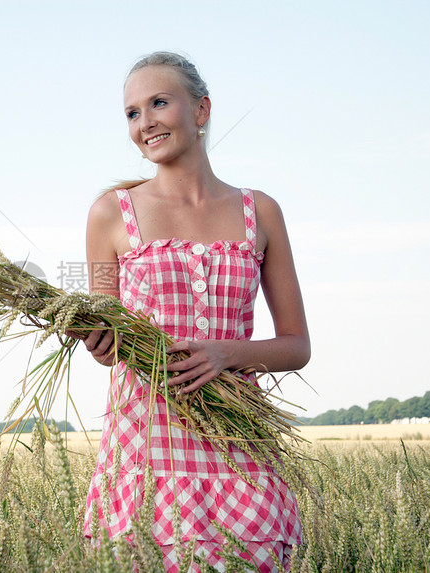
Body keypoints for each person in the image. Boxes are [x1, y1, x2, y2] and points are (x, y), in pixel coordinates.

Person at [78, 52, 310, 572]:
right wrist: (95, 340)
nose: (145, 123)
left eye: (160, 103)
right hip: (148, 450)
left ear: (201, 110)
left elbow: (297, 345)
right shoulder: (110, 213)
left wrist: (228, 354)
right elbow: (106, 336)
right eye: (132, 113)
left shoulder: (260, 211)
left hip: (238, 448)